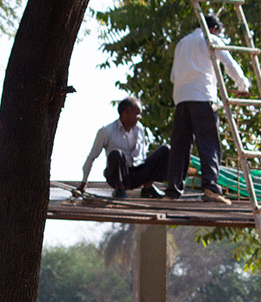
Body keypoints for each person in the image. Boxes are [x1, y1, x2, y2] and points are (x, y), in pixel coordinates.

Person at [166, 12, 250, 205]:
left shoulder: (182, 43)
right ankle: (210, 187)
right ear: (213, 29)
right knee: (208, 142)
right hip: (202, 97)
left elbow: (173, 76)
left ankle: (173, 189)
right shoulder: (210, 39)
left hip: (181, 99)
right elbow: (230, 65)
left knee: (180, 146)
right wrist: (242, 86)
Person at [77, 96, 169, 199]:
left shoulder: (140, 129)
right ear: (126, 113)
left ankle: (148, 187)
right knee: (116, 154)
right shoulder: (106, 131)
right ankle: (119, 190)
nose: (140, 117)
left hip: (138, 173)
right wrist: (83, 182)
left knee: (166, 150)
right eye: (137, 114)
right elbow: (91, 157)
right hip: (120, 177)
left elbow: (142, 158)